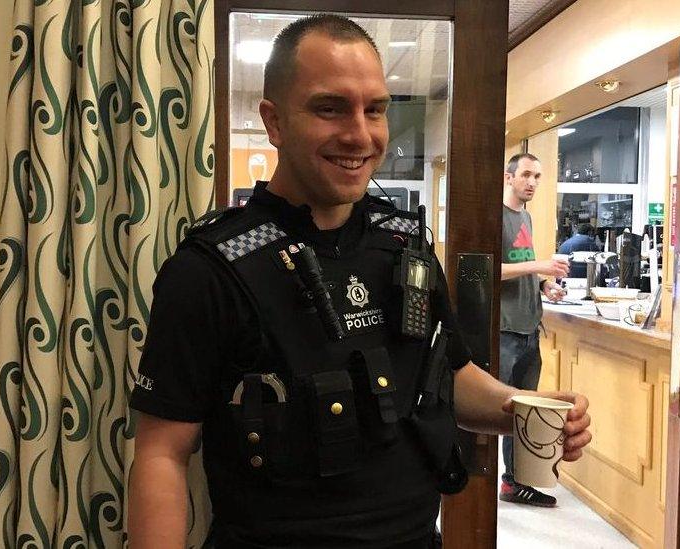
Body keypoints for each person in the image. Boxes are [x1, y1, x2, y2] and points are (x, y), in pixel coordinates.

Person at [128, 15, 591, 549]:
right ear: (273, 122)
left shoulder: (405, 245)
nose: (360, 133)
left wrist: (521, 409)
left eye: (375, 109)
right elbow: (162, 453)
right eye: (329, 107)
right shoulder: (210, 269)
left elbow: (448, 373)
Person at [499, 153, 571, 507]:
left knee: (526, 411)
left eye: (538, 176)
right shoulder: (496, 217)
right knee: (501, 408)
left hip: (530, 326)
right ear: (509, 177)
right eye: (526, 174)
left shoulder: (525, 216)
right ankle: (502, 479)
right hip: (505, 329)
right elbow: (489, 270)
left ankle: (516, 482)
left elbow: (520, 268)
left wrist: (544, 285)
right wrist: (540, 264)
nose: (532, 182)